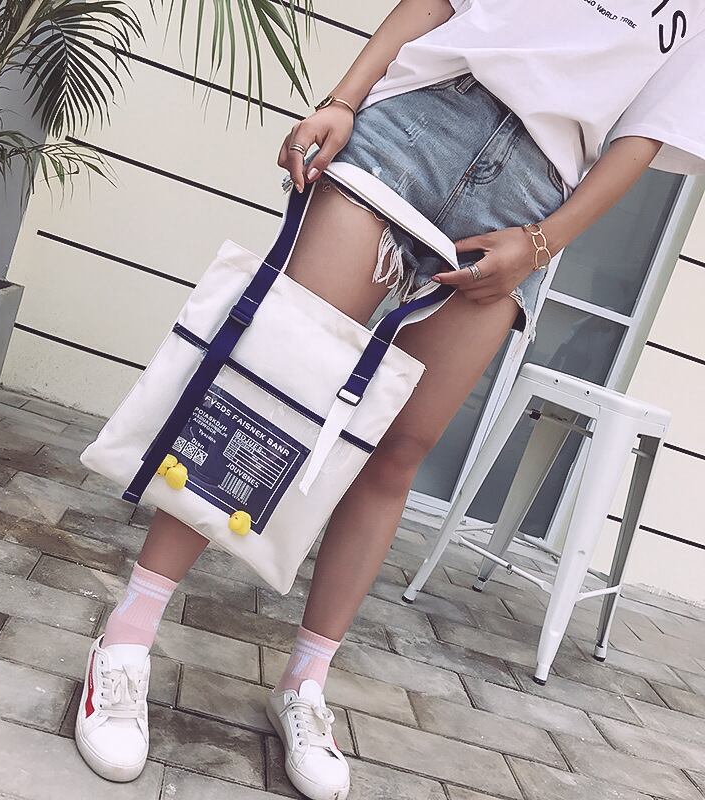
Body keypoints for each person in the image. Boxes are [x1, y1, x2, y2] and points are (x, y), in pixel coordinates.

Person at [74, 1, 705, 796]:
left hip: (530, 195)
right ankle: (128, 637)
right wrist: (344, 99)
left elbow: (642, 136)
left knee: (397, 453)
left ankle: (305, 683)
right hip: (421, 120)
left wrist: (543, 244)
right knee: (268, 389)